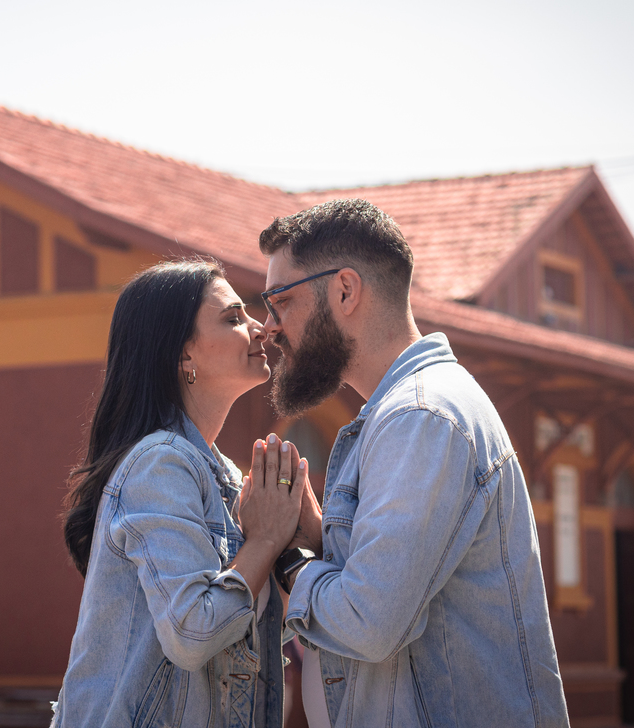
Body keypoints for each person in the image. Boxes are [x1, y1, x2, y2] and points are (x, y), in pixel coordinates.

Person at [257, 200, 570, 727]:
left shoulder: (420, 417)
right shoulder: (404, 414)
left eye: (280, 301)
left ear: (345, 290)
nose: (268, 327)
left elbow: (368, 620)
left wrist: (286, 555)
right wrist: (316, 537)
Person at [53, 258, 308, 727]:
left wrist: (306, 530)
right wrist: (265, 543)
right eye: (233, 318)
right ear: (182, 356)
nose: (260, 329)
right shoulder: (159, 462)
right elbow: (193, 630)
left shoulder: (223, 475)